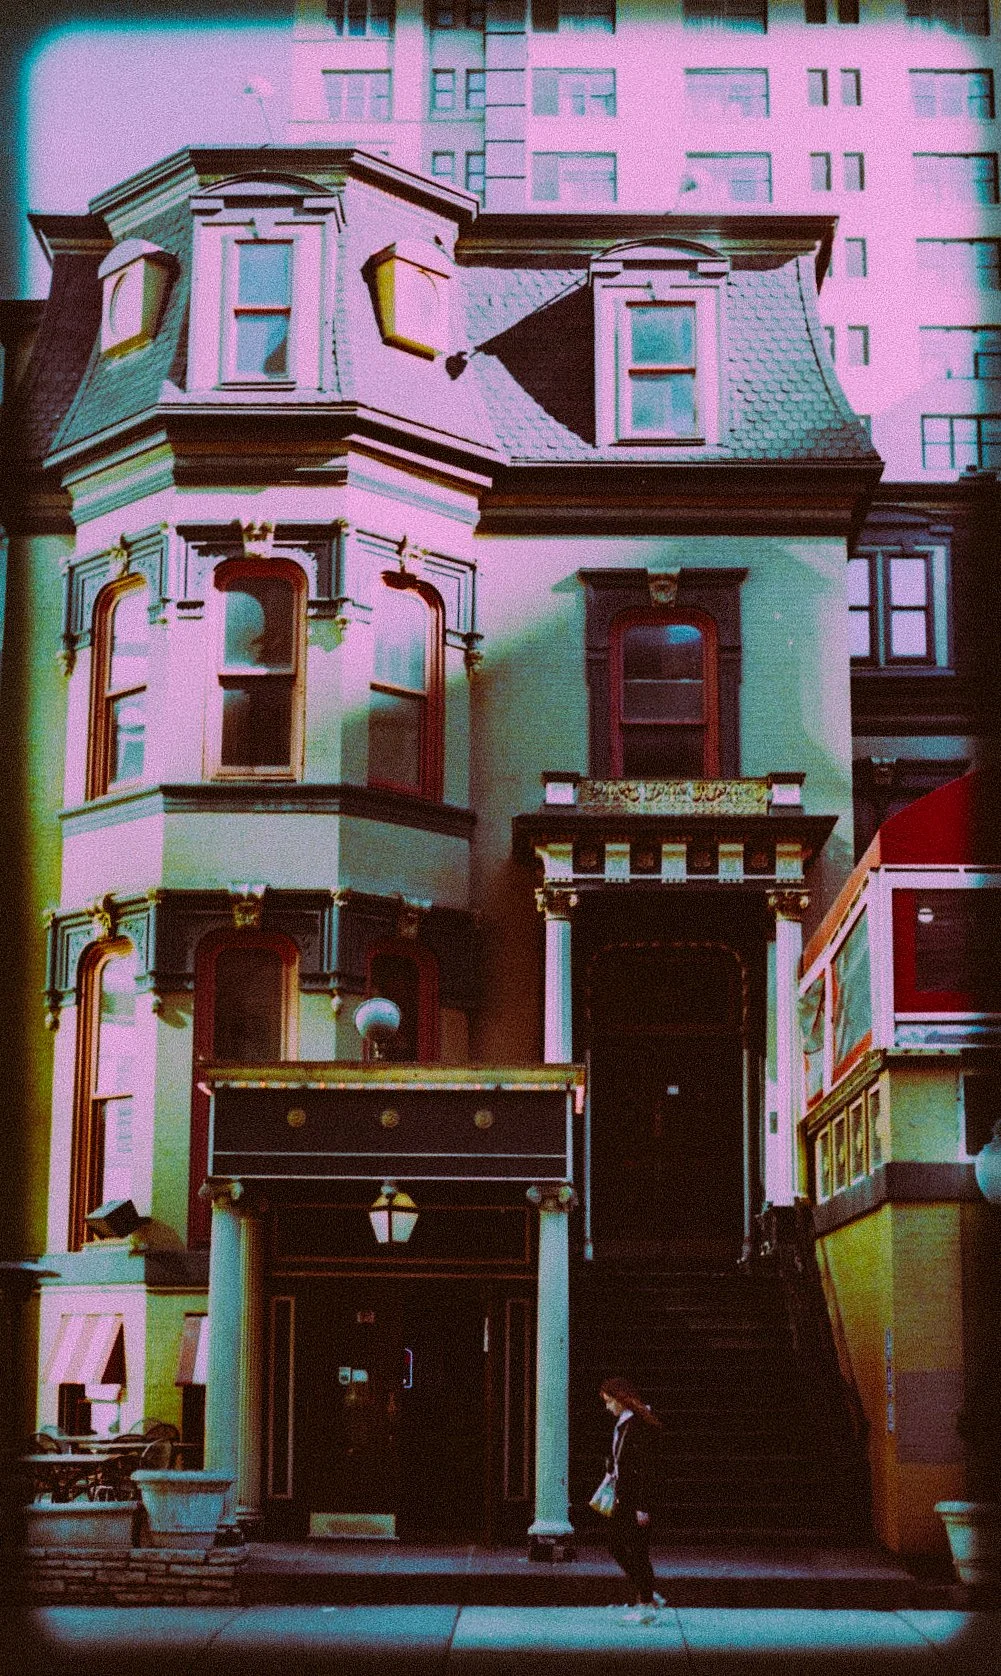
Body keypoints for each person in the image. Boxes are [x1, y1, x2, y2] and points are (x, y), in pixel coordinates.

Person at [598, 1376, 666, 1624]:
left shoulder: (638, 1425)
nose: (608, 1407)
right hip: (623, 1495)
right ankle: (647, 1594)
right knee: (619, 1545)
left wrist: (643, 1506)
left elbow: (647, 1468)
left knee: (636, 1550)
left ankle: (646, 1602)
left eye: (609, 1401)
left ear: (620, 1399)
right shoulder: (626, 1424)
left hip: (633, 1498)